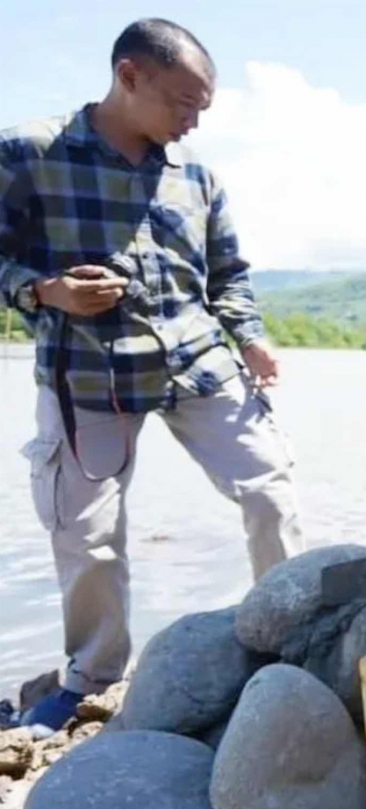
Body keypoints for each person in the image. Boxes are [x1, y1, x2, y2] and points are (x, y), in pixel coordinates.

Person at [0, 19, 304, 732]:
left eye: (203, 109)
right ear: (129, 76)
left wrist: (252, 340)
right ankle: (91, 677)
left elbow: (228, 275)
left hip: (198, 363)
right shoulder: (29, 153)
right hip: (87, 375)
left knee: (270, 487)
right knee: (90, 537)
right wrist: (48, 292)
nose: (193, 122)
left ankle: (288, 641)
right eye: (183, 104)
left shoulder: (196, 175)